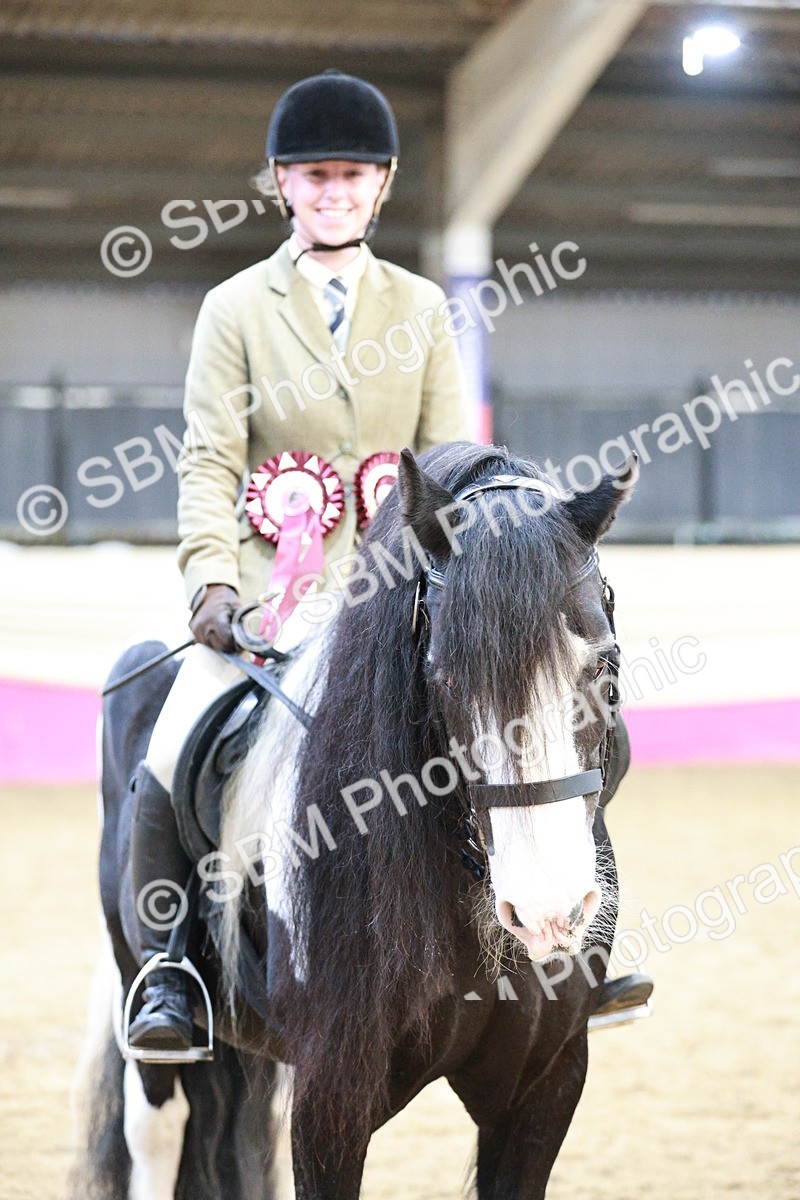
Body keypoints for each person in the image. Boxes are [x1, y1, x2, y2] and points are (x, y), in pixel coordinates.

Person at [127, 70, 470, 1053]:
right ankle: (173, 968)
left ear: (382, 184)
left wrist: (445, 577)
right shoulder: (233, 308)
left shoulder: (422, 308)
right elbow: (208, 458)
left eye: (350, 176)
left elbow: (448, 461)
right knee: (172, 737)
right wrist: (211, 582)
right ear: (282, 184)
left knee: (515, 716)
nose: (331, 191)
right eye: (313, 175)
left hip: (396, 591)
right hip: (265, 598)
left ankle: (562, 939)